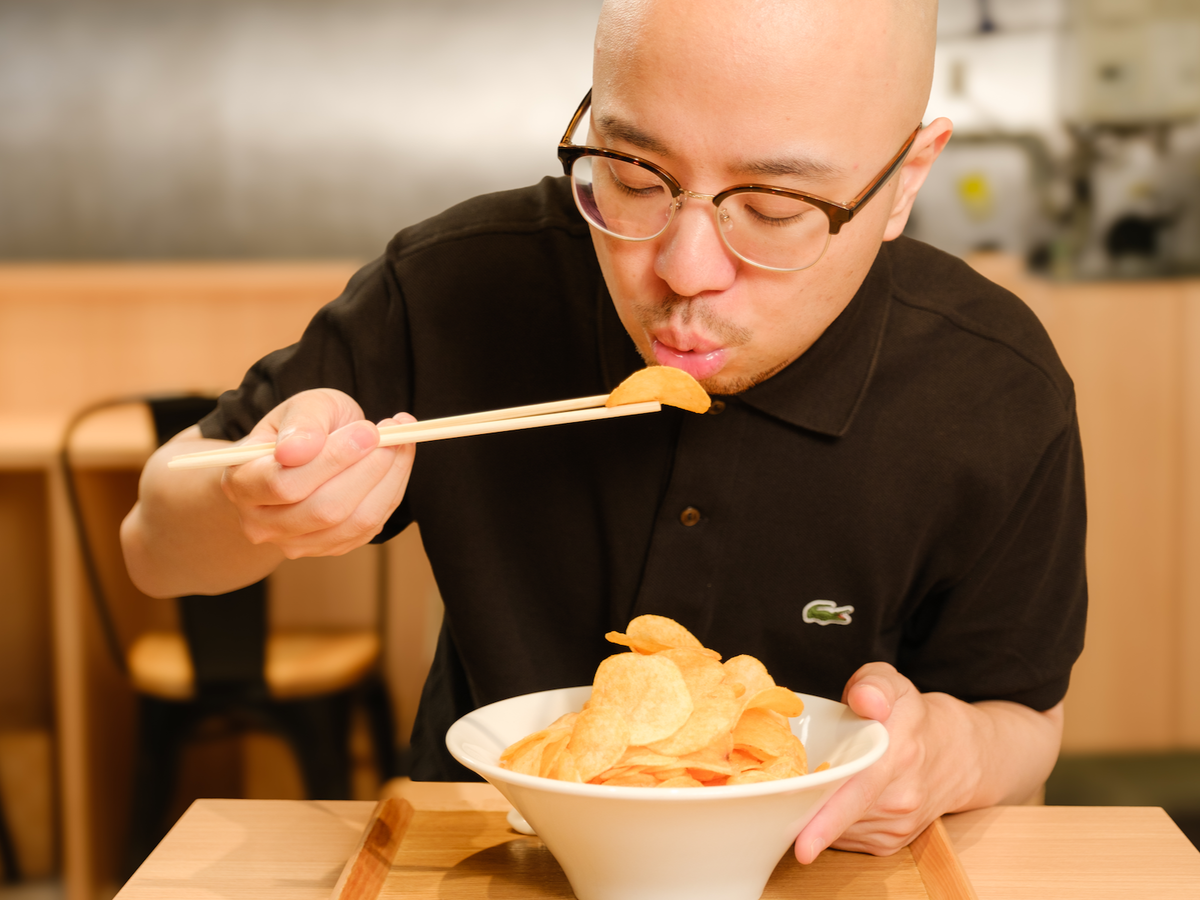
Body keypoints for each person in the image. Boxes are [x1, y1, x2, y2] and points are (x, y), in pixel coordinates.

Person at [121, 0, 1086, 865]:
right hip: (481, 855)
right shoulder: (458, 285)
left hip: (818, 873)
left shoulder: (993, 387)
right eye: (633, 175)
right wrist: (252, 502)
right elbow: (156, 550)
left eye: (775, 207)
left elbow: (1025, 719)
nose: (684, 267)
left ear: (907, 179)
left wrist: (946, 754)